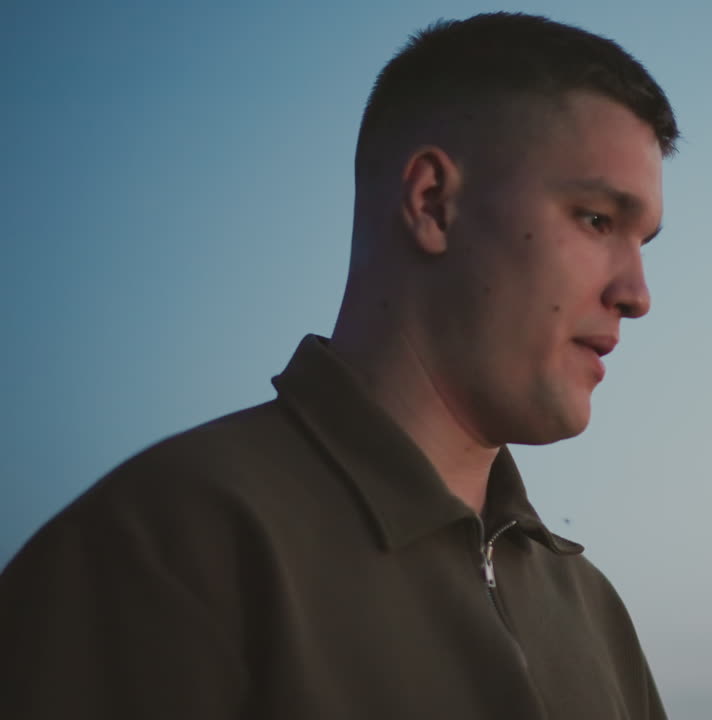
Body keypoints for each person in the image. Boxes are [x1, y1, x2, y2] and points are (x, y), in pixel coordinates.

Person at [0, 12, 677, 719]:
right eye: (597, 219)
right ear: (432, 204)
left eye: (644, 242)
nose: (637, 295)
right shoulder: (164, 550)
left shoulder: (593, 614)